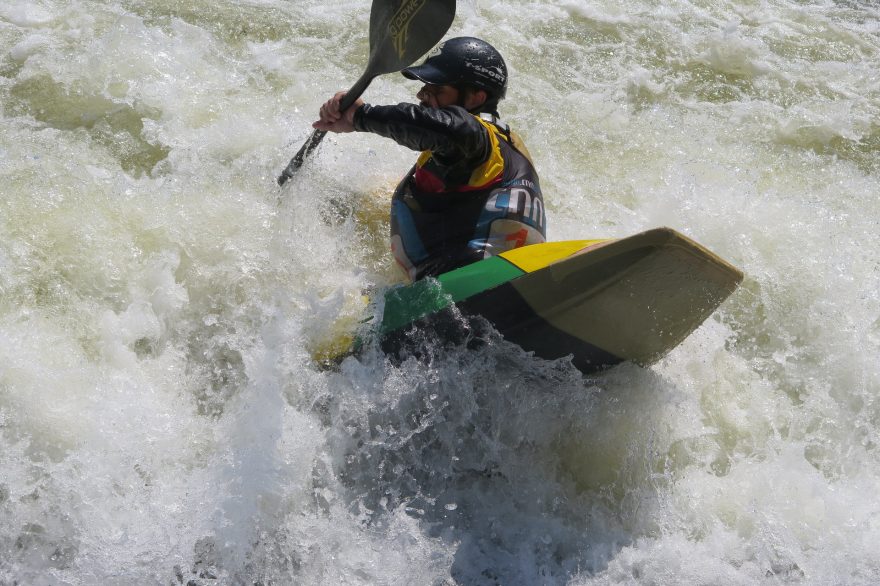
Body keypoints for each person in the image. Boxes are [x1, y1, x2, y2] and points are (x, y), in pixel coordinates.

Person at [313, 37, 546, 282]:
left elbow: (453, 130)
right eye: (425, 86)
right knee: (370, 198)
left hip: (467, 288)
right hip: (444, 293)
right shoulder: (507, 146)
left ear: (475, 98)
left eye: (437, 89)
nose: (422, 94)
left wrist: (360, 116)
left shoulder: (477, 139)